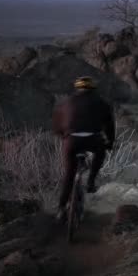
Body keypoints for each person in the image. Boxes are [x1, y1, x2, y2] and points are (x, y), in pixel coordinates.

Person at [52, 76, 115, 221]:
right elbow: (110, 126)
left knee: (69, 174)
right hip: (93, 139)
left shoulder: (65, 103)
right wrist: (110, 143)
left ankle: (61, 209)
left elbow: (56, 125)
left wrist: (63, 136)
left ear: (77, 89)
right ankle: (90, 182)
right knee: (100, 153)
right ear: (93, 89)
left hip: (71, 141)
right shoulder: (101, 103)